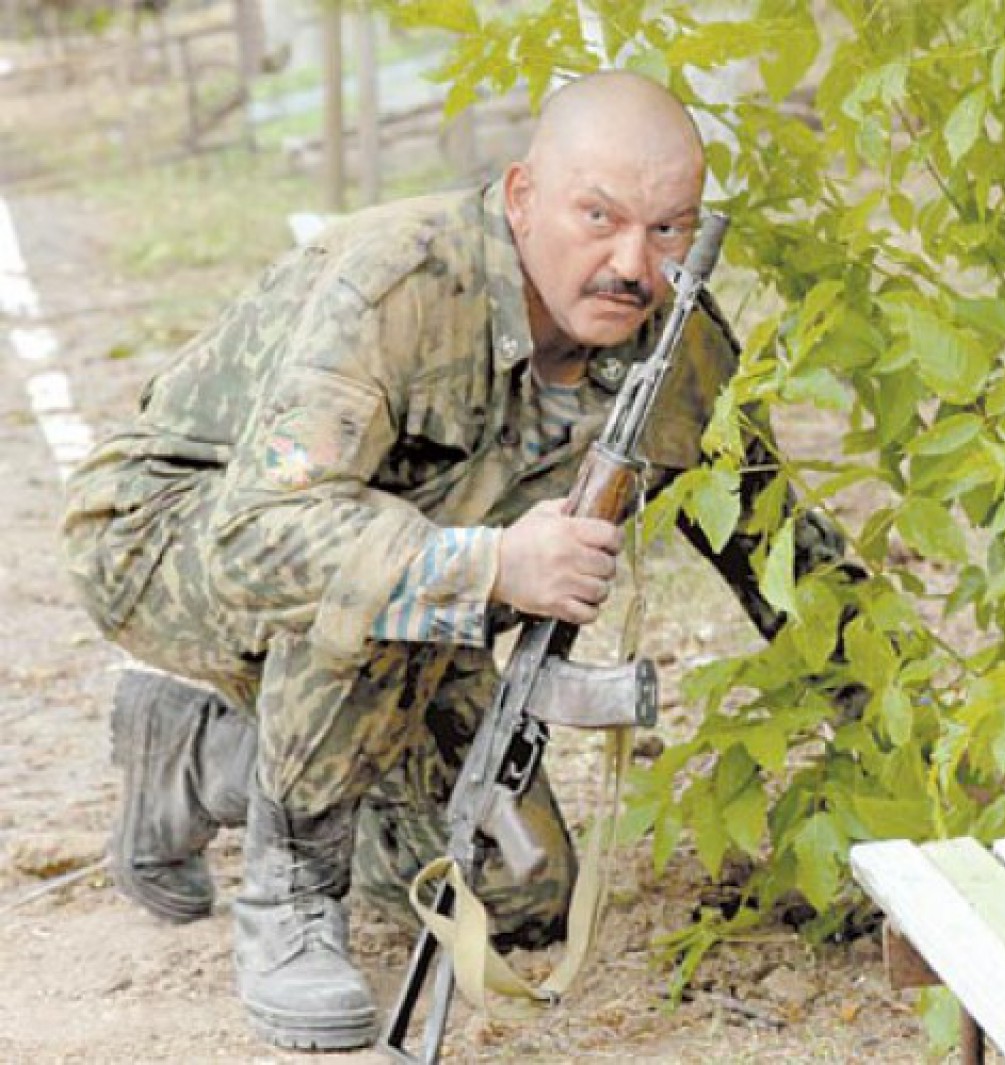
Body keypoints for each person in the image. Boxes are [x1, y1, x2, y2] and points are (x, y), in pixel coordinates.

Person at [60, 71, 860, 1051]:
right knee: (403, 575)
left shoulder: (674, 350)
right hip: (164, 538)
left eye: (666, 230)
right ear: (521, 194)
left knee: (517, 890)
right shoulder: (400, 285)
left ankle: (208, 756)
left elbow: (786, 555)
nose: (631, 264)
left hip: (394, 611)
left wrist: (913, 751)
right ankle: (291, 893)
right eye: (598, 217)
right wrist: (485, 567)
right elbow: (256, 533)